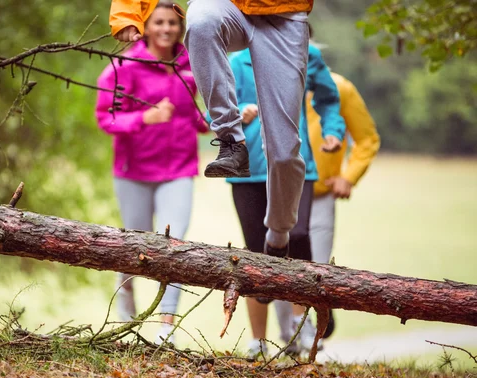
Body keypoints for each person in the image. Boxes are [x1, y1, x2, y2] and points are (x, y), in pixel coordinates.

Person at [109, 0, 342, 266]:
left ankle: (278, 233)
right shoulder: (227, 63)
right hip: (228, 7)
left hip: (284, 14)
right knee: (200, 20)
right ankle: (231, 142)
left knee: (283, 153)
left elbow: (328, 97)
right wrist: (127, 13)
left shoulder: (311, 56)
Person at [96, 0, 208, 344]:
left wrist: (222, 123)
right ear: (145, 26)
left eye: (173, 23)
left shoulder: (191, 65)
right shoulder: (123, 66)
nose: (166, 29)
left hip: (178, 169)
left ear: (181, 28)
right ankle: (126, 319)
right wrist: (145, 117)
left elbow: (194, 115)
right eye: (158, 22)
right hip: (134, 172)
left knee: (173, 246)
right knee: (132, 247)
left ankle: (166, 329)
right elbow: (106, 117)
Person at [225, 44, 345, 357]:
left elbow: (329, 99)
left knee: (299, 236)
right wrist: (238, 113)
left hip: (296, 165)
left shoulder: (306, 53)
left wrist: (333, 130)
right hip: (248, 170)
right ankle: (258, 342)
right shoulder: (237, 62)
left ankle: (302, 322)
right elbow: (216, 110)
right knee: (254, 254)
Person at [308, 73, 381, 274]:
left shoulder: (340, 88)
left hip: (320, 197)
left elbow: (367, 139)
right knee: (276, 277)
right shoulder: (265, 78)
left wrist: (349, 176)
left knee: (317, 276)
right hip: (272, 194)